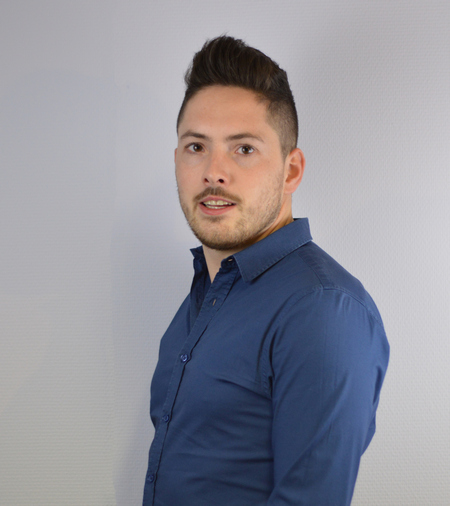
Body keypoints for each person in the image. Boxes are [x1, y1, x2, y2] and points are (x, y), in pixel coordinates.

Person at [143, 36, 389, 506]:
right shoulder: (205, 295)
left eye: (243, 149)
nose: (214, 171)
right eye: (196, 146)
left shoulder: (321, 309)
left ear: (291, 170)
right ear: (176, 160)